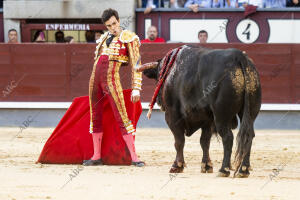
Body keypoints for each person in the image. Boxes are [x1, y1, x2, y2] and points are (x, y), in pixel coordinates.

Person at [83, 8, 144, 167]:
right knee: (95, 116)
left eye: (114, 24)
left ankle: (134, 157)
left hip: (111, 79)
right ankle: (96, 156)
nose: (113, 28)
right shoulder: (103, 39)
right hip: (94, 80)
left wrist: (136, 87)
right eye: (109, 26)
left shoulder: (129, 37)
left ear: (119, 20)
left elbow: (136, 64)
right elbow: (97, 60)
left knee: (122, 116)